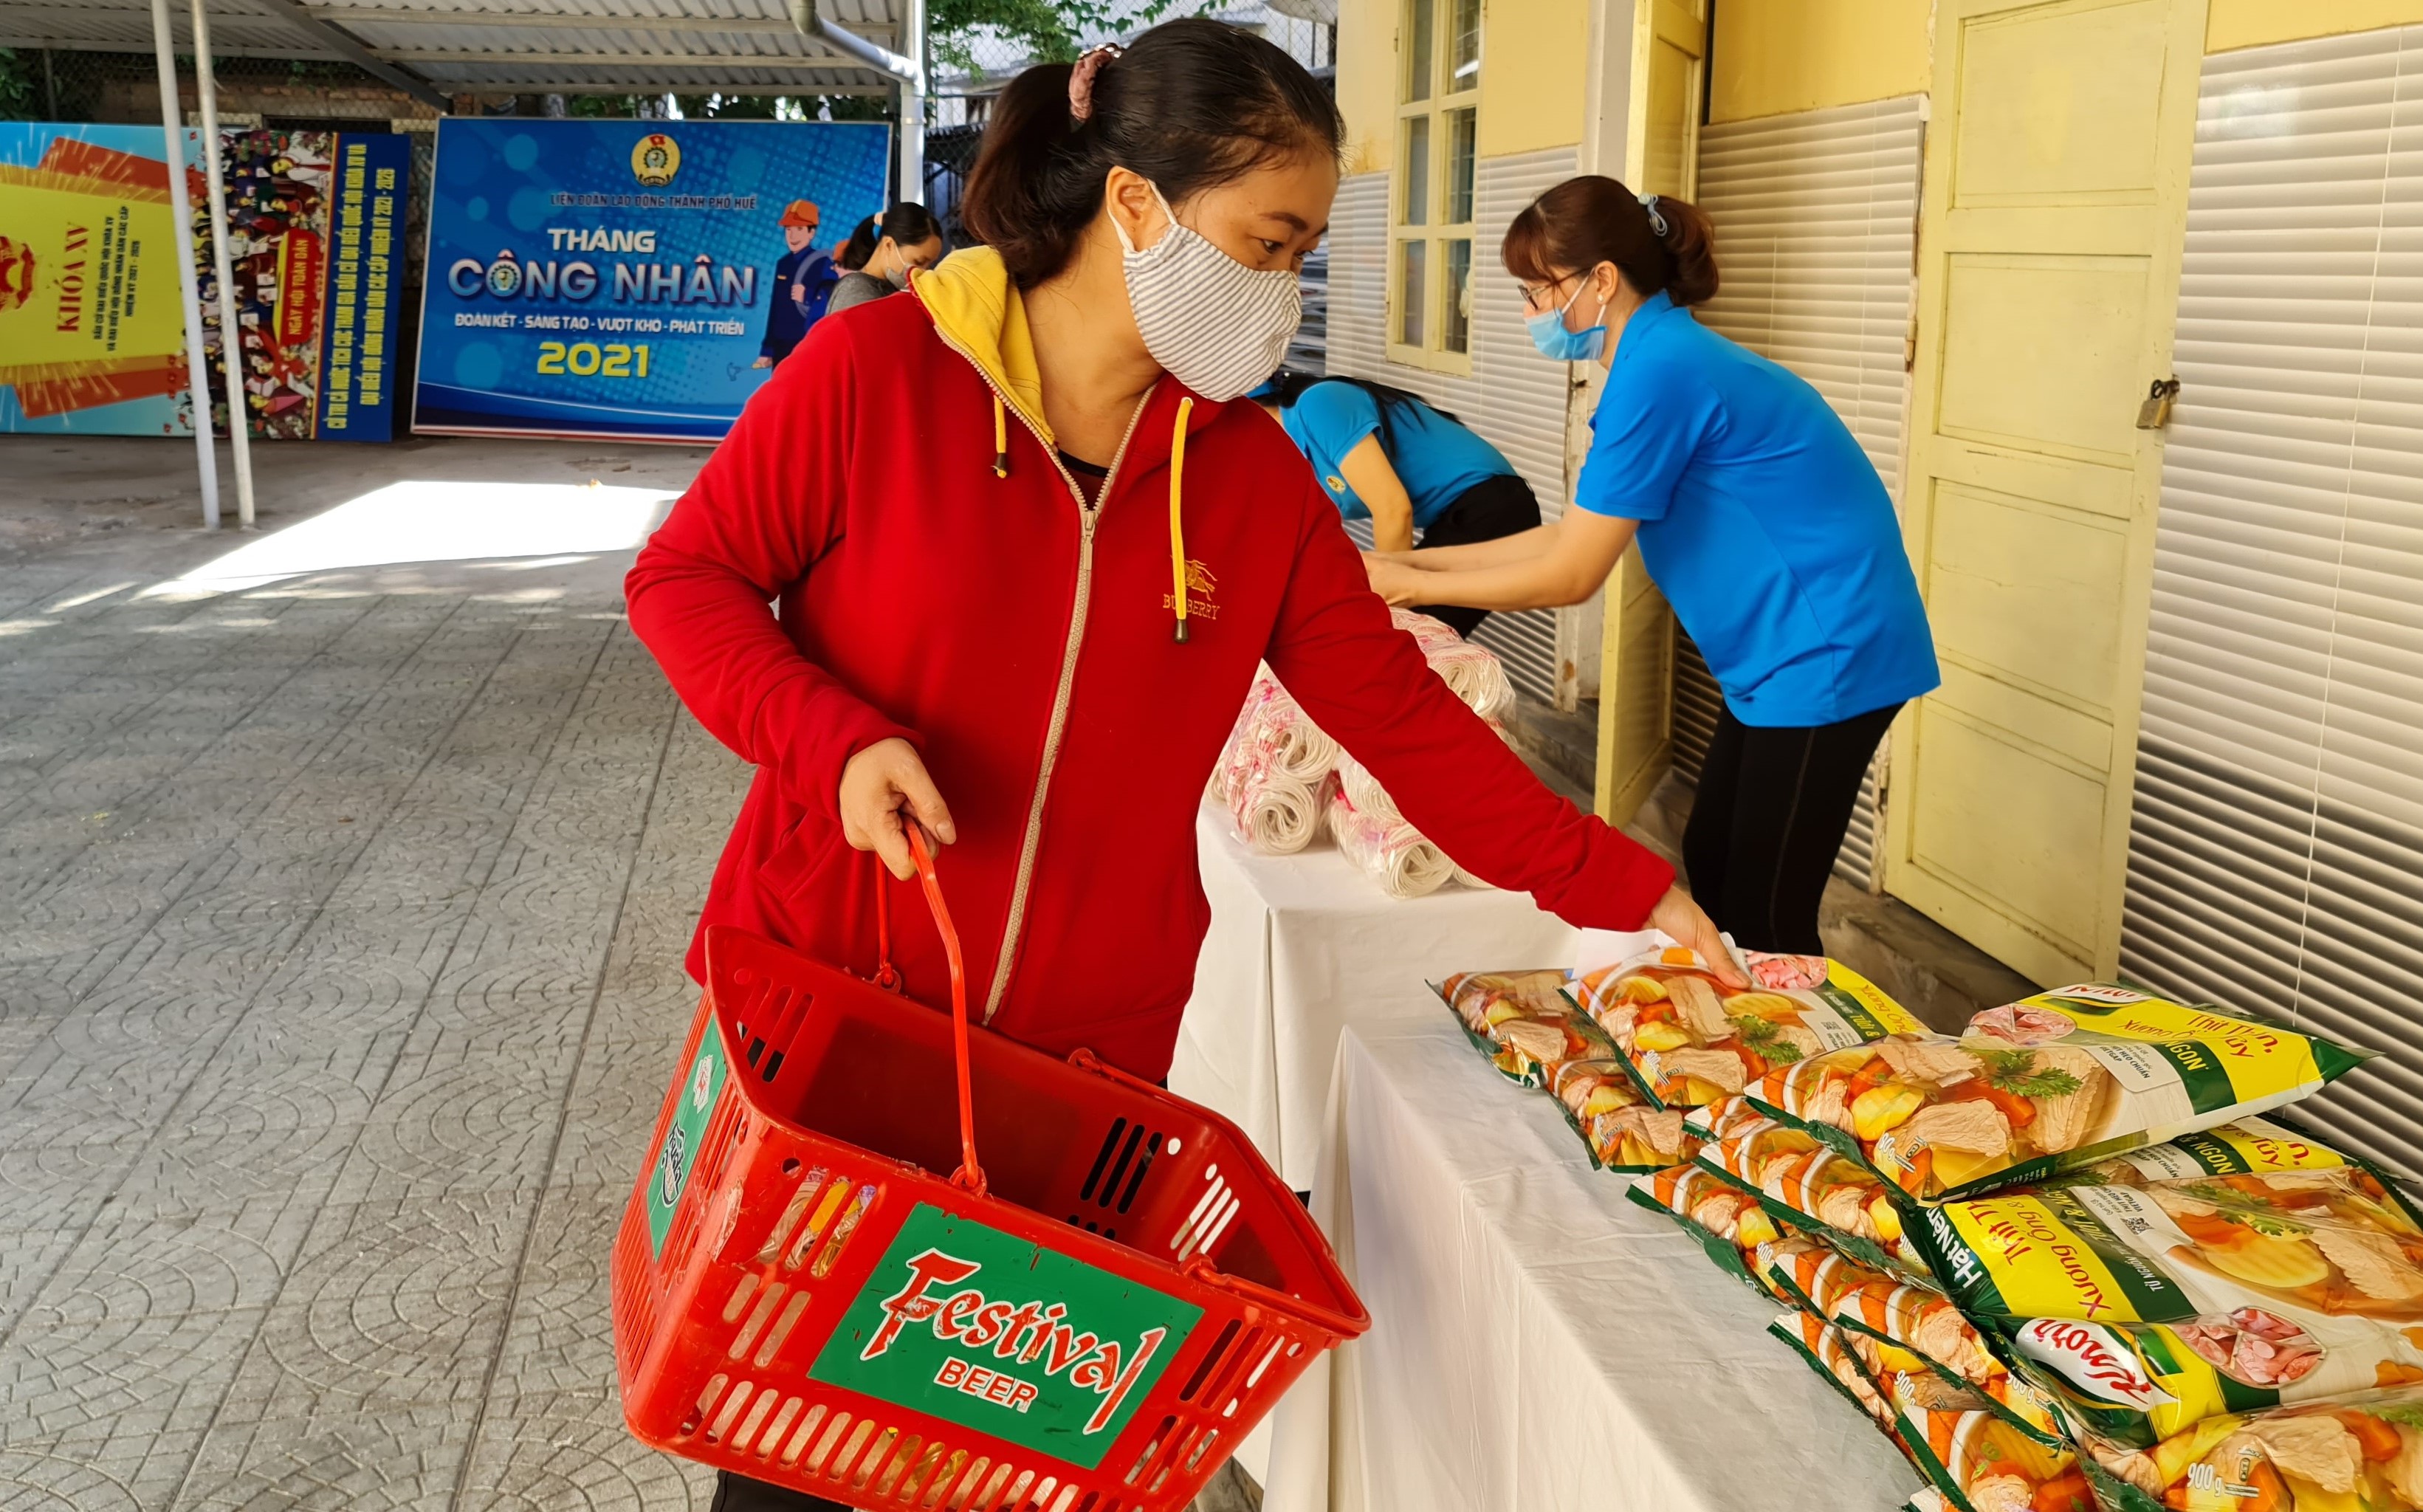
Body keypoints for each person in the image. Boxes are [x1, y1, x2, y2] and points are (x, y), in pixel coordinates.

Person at [624, 32, 1738, 1511]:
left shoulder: (1250, 480)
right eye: (1266, 243)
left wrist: (1621, 884)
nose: (1282, 291)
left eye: (1304, 253)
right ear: (1134, 204)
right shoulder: (877, 373)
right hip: (834, 1018)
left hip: (1077, 1072)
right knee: (801, 1448)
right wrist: (833, 737)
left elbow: (1403, 726)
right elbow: (684, 580)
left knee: (983, 1447)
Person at [1365, 175, 1939, 958]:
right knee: (1712, 862)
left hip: (1827, 650)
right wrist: (1406, 568)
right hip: (1777, 653)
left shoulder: (1662, 372)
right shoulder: (1655, 359)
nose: (1529, 312)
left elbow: (1572, 574)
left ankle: (1810, 1072)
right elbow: (1570, 536)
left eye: (1539, 291)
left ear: (1599, 281)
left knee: (1765, 909)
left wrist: (1403, 580)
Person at [1256, 370, 1542, 633]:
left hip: (1492, 507)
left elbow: (1393, 509)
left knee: (1411, 642)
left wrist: (1388, 609)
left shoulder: (1319, 405)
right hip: (1459, 517)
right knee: (1403, 643)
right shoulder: (1290, 460)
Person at [827, 202, 947, 314]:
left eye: (930, 265)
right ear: (889, 244)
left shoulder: (890, 290)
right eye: (919, 262)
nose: (923, 272)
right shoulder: (857, 291)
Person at [754, 199, 828, 368]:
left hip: (809, 343)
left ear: (812, 233)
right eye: (788, 230)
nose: (793, 236)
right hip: (781, 344)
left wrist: (808, 296)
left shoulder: (823, 263)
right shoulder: (783, 264)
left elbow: (833, 302)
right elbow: (776, 309)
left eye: (799, 229)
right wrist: (767, 350)